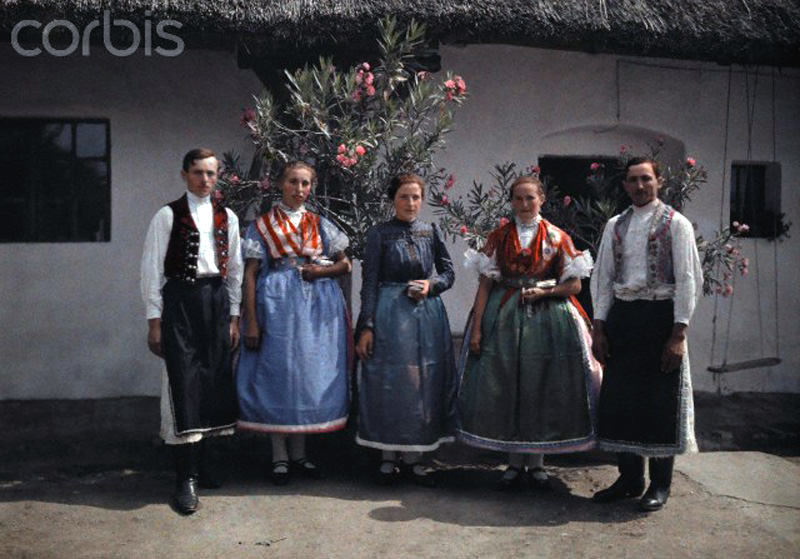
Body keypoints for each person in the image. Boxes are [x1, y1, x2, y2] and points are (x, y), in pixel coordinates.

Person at [457, 175, 601, 489]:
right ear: (511, 201)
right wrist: (478, 328)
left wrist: (546, 292)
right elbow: (485, 284)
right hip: (503, 316)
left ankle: (537, 461)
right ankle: (512, 460)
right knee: (508, 383)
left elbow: (574, 284)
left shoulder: (557, 237)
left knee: (541, 384)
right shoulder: (498, 237)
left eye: (530, 199)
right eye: (518, 199)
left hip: (548, 320)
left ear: (541, 200)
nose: (524, 205)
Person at [590, 156, 702, 512]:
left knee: (658, 401)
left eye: (646, 179)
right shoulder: (615, 225)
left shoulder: (676, 224)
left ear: (658, 181)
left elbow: (688, 279)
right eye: (633, 181)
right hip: (624, 318)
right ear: (624, 186)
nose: (640, 186)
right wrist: (600, 326)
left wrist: (678, 333)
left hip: (660, 318)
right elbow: (603, 277)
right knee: (623, 400)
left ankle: (659, 484)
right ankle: (629, 479)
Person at [141, 148, 243, 514]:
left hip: (215, 302)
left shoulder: (226, 216)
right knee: (183, 381)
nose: (205, 180)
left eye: (211, 173)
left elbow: (235, 268)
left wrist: (233, 317)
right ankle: (184, 477)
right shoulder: (167, 216)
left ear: (218, 177)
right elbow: (152, 270)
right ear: (184, 174)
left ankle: (205, 465)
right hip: (180, 303)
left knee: (213, 381)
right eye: (198, 173)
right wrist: (154, 320)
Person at [236, 161, 351, 485]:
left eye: (305, 183)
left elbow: (346, 264)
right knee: (279, 375)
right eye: (293, 182)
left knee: (304, 377)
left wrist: (320, 271)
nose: (299, 189)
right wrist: (252, 322)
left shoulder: (320, 224)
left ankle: (300, 454)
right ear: (280, 184)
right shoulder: (263, 225)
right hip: (277, 306)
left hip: (315, 310)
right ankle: (279, 456)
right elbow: (250, 274)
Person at [355, 173, 457, 486]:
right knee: (390, 381)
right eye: (403, 197)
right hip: (388, 314)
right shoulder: (379, 234)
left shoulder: (431, 230)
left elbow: (449, 272)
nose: (410, 203)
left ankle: (414, 457)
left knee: (421, 383)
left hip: (426, 316)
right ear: (392, 200)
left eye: (415, 197)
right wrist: (367, 325)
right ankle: (387, 456)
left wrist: (431, 285)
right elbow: (369, 282)